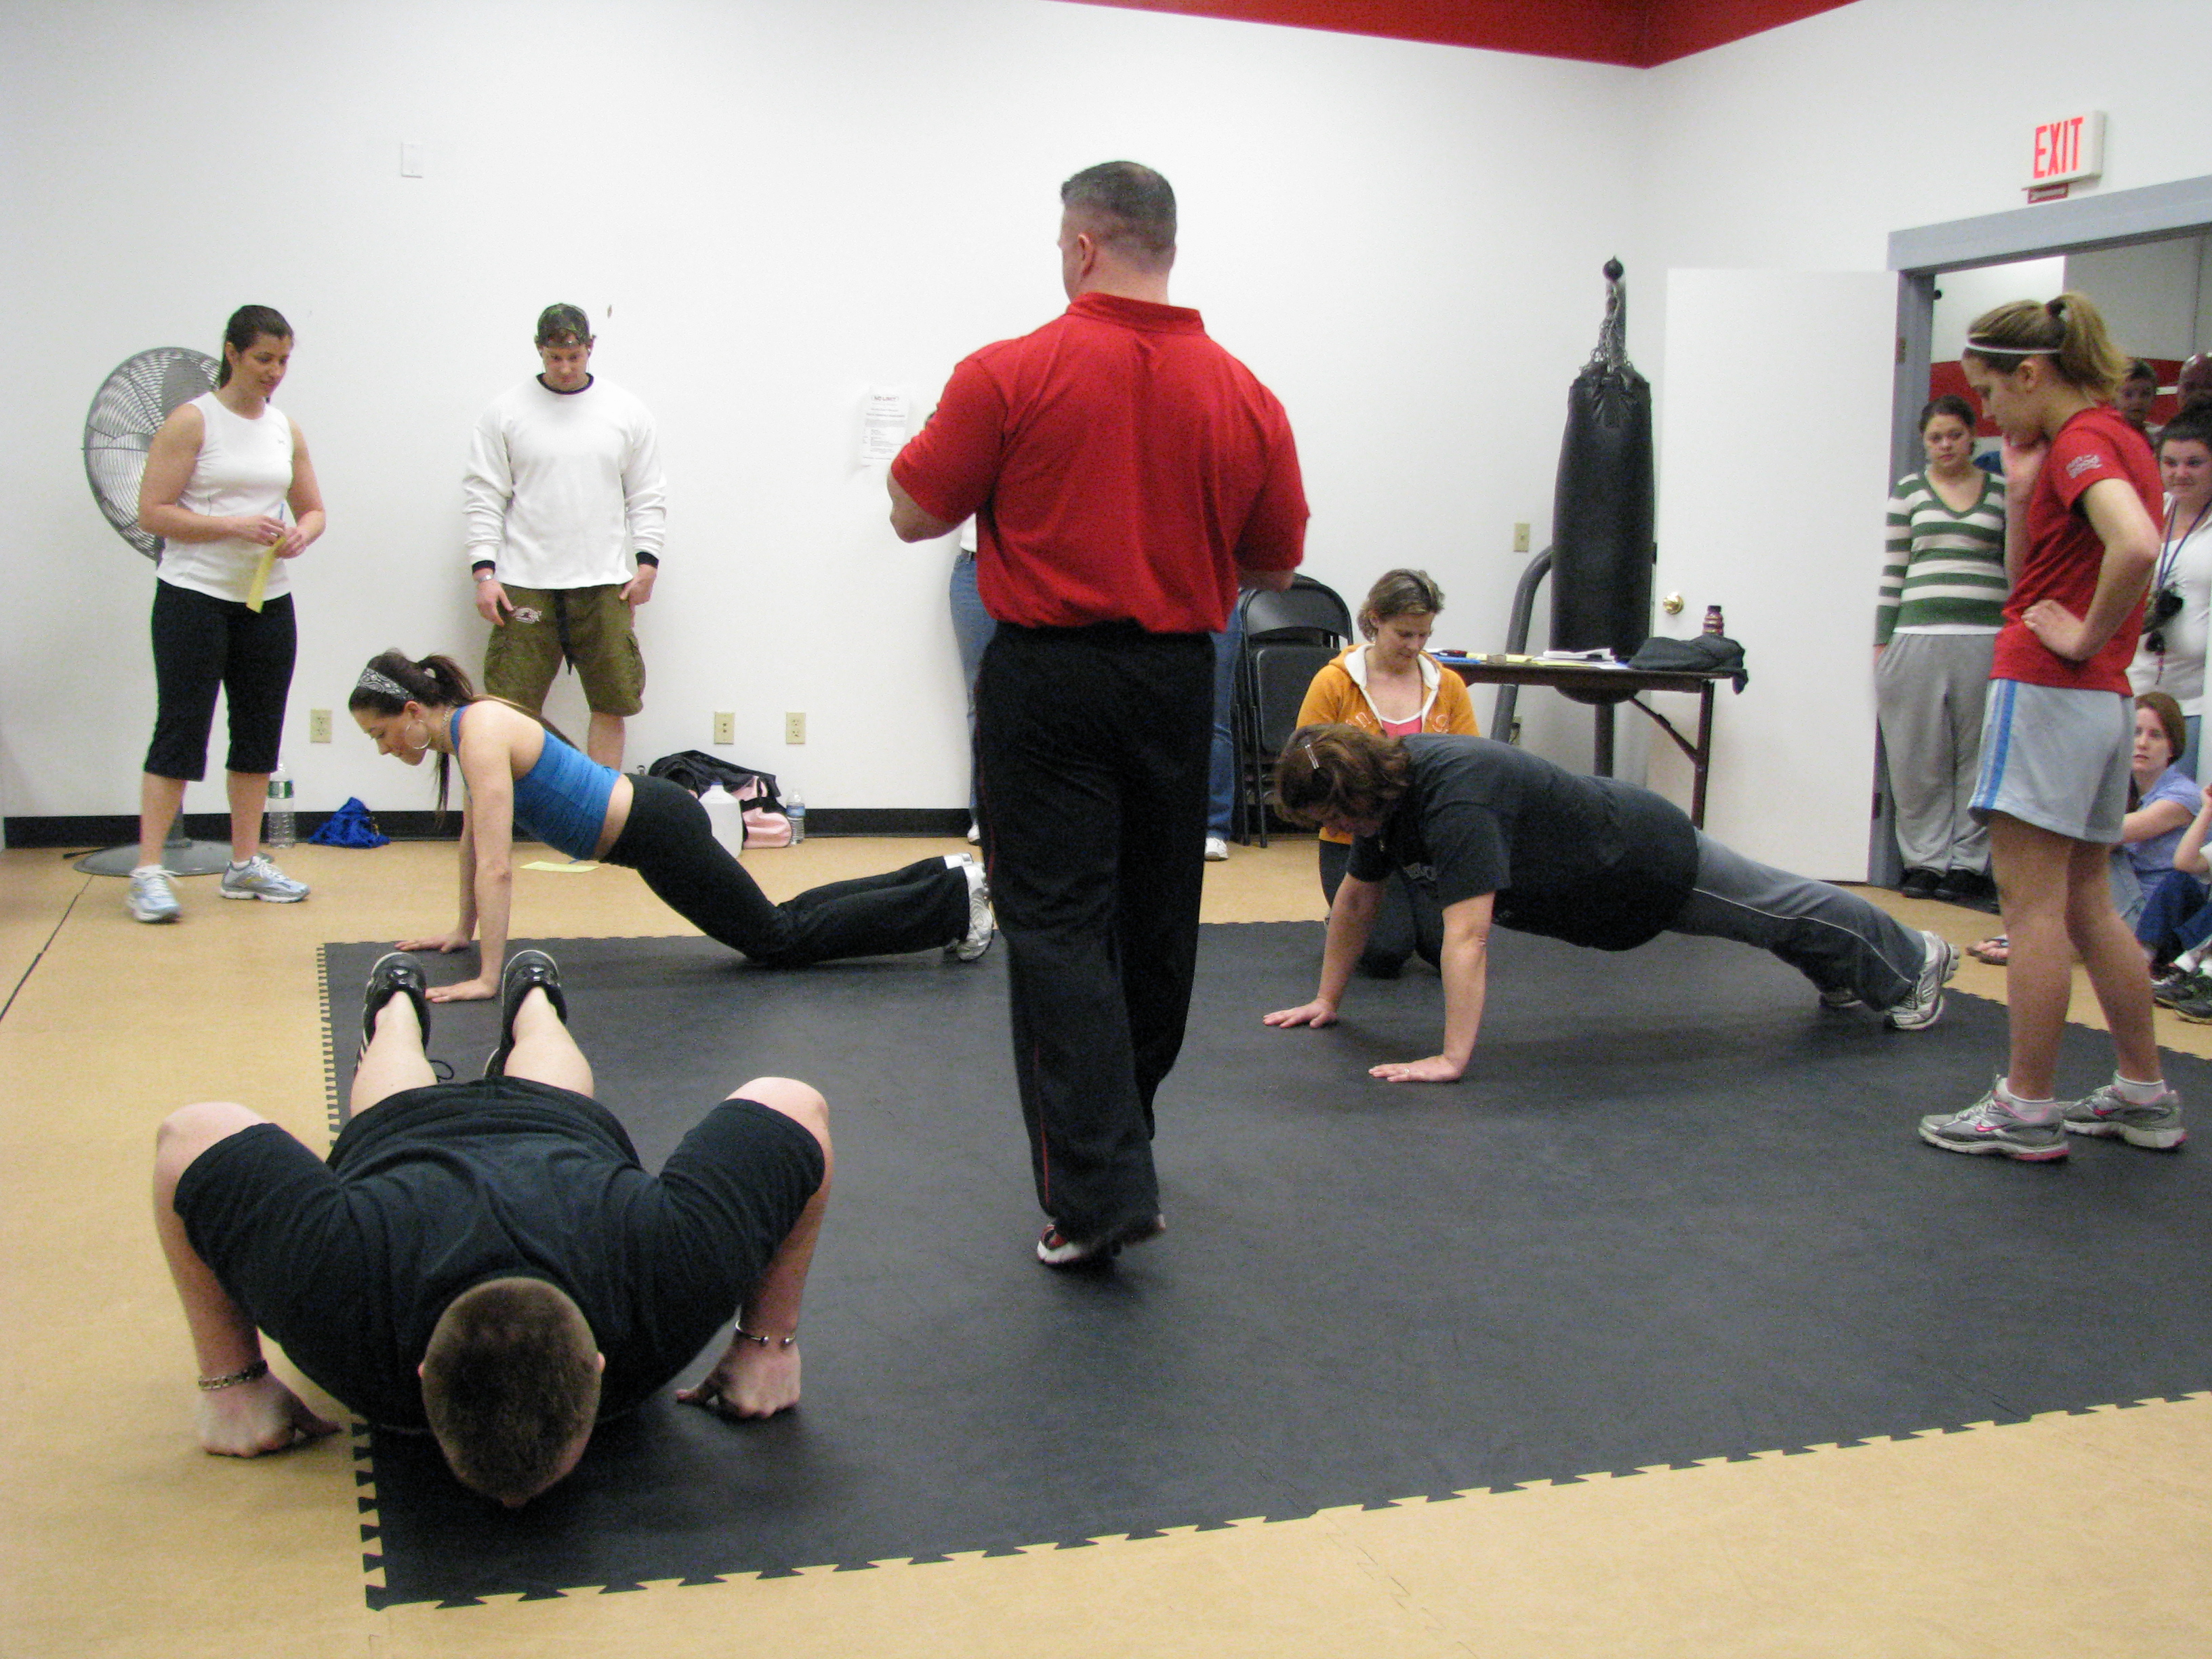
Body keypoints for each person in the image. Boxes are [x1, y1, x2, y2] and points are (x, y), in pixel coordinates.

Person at [888, 161, 1307, 1266]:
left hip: (1046, 682)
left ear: (1079, 247)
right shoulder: (1247, 396)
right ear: (1163, 246)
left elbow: (909, 509)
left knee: (1060, 925)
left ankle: (1099, 1191)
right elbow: (1271, 559)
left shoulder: (1004, 372)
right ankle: (1125, 1140)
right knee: (1157, 918)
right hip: (1178, 677)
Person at [153, 948, 831, 1507]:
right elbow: (793, 1106)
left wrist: (232, 1379)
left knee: (412, 1095)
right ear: (598, 1366)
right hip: (534, 1131)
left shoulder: (335, 1294)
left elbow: (190, 1135)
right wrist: (764, 1342)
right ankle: (412, 1009)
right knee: (505, 1085)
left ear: (421, 1371)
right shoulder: (667, 1279)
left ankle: (504, 1000)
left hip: (434, 1140)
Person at [1261, 725, 1955, 1084]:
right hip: (1598, 888)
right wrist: (1328, 999)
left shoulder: (1454, 795)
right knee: (1771, 922)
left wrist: (1450, 1058)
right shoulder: (1387, 801)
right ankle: (1845, 971)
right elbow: (1356, 901)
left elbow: (1466, 938)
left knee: (1778, 908)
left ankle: (1915, 961)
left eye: (1336, 819)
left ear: (1356, 795)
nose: (1339, 834)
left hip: (1642, 860)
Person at [1918, 293, 2182, 1161]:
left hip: (2049, 685)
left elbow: (2135, 545)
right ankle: (2143, 1091)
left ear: (2032, 373)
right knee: (2086, 902)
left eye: (1994, 392)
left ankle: (2027, 1107)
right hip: (2103, 699)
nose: (1988, 412)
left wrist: (2083, 629)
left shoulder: (2078, 442)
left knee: (2031, 911)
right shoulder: (2123, 436)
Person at [349, 651, 990, 1001]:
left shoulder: (479, 731)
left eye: (380, 734)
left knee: (776, 940)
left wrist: (491, 977)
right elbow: (472, 840)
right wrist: (463, 930)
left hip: (658, 829)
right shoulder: (471, 728)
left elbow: (496, 863)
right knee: (778, 920)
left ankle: (956, 905)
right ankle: (948, 879)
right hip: (653, 831)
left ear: (411, 710)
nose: (383, 748)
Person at [128, 304, 325, 923]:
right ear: (233, 354)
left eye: (284, 360)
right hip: (193, 597)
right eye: (264, 359)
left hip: (267, 600)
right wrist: (231, 524)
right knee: (183, 729)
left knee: (259, 731)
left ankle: (244, 865)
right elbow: (152, 511)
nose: (275, 372)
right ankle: (149, 870)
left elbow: (314, 509)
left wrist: (302, 534)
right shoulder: (192, 423)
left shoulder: (284, 429)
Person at [464, 304, 665, 771]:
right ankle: (504, 824)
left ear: (590, 348)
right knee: (506, 711)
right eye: (555, 357)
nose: (565, 367)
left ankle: (602, 820)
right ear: (539, 350)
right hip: (524, 581)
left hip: (605, 580)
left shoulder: (626, 412)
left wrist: (648, 563)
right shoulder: (504, 413)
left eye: (574, 356)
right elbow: (483, 495)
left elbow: (648, 493)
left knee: (613, 701)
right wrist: (483, 572)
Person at [1294, 569, 1481, 975]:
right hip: (1352, 840)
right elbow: (1305, 762)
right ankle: (1344, 914)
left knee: (1439, 948)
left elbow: (1471, 765)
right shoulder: (1333, 682)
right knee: (1385, 953)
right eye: (1405, 634)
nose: (1415, 646)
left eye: (1424, 635)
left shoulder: (1449, 686)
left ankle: (1406, 910)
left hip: (1426, 844)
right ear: (1375, 618)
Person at [1875, 394, 2009, 909]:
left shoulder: (2001, 492)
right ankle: (1926, 862)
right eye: (1935, 437)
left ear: (1973, 435)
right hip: (1917, 637)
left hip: (1986, 640)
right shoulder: (1908, 493)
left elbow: (2013, 565)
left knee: (1978, 757)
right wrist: (1883, 642)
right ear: (1923, 443)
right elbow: (1893, 571)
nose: (1946, 444)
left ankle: (1970, 865)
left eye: (1955, 434)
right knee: (1917, 757)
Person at [2127, 409, 2212, 774]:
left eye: (2195, 463)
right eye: (2170, 462)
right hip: (2132, 692)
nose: (2180, 473)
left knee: (2178, 813)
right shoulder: (2144, 513)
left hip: (2192, 704)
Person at [2114, 692, 2201, 949]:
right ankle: (2041, 935)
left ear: (2172, 747)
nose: (2142, 743)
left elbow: (2109, 832)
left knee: (2090, 849)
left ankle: (2041, 938)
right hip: (2117, 904)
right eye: (2135, 732)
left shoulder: (2184, 796)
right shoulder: (2123, 788)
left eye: (2156, 735)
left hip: (2150, 917)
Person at [2116, 359, 2159, 436]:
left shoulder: (2159, 439)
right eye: (2128, 394)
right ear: (2113, 398)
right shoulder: (2104, 437)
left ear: (2154, 398)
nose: (2137, 401)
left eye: (2145, 394)